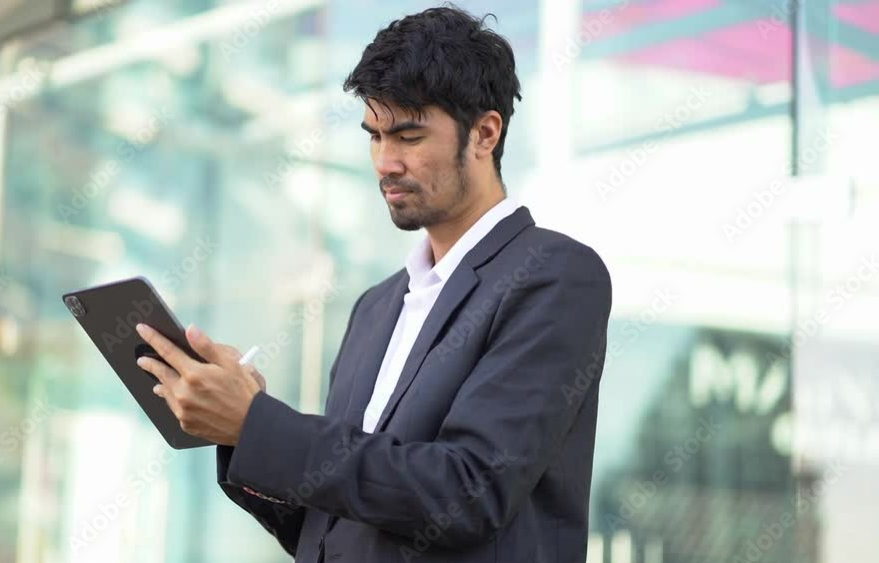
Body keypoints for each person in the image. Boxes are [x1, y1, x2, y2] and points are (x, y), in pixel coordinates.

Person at [135, 5, 612, 562]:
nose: (385, 162)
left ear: (484, 134)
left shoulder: (553, 275)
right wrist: (240, 428)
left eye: (408, 136)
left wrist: (262, 426)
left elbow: (469, 493)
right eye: (375, 136)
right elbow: (339, 528)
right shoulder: (376, 306)